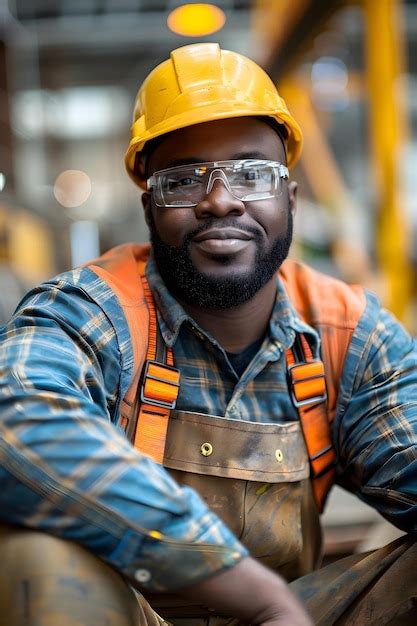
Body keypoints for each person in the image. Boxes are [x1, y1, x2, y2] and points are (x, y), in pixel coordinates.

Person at [0, 42, 415, 626]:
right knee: (33, 560)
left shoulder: (346, 333)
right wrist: (255, 593)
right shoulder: (92, 314)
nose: (220, 201)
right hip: (130, 614)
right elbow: (13, 420)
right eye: (184, 180)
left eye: (251, 173)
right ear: (150, 209)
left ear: (290, 198)